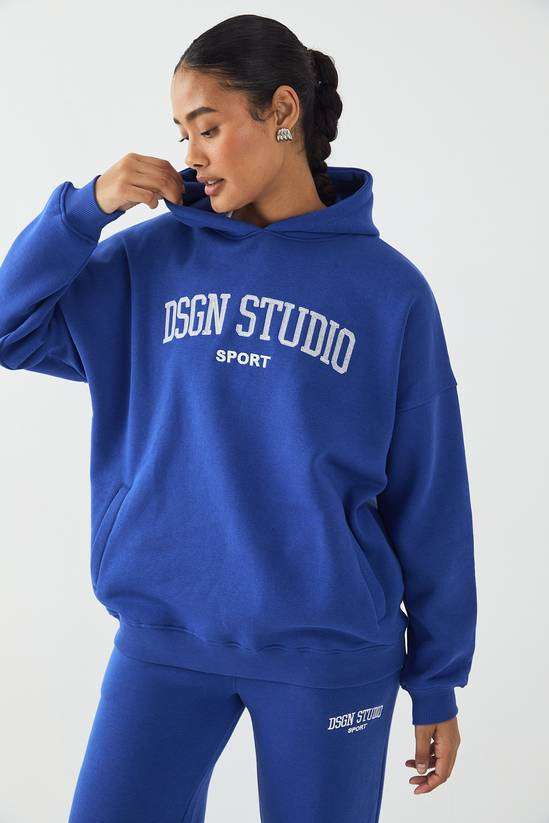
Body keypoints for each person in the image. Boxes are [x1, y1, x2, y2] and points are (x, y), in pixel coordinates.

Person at [0, 13, 477, 823]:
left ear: (282, 110)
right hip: (162, 637)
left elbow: (430, 491)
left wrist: (436, 678)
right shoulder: (148, 262)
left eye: (209, 127)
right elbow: (11, 328)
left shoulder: (388, 291)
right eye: (182, 133)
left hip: (328, 653)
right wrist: (84, 211)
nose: (190, 154)